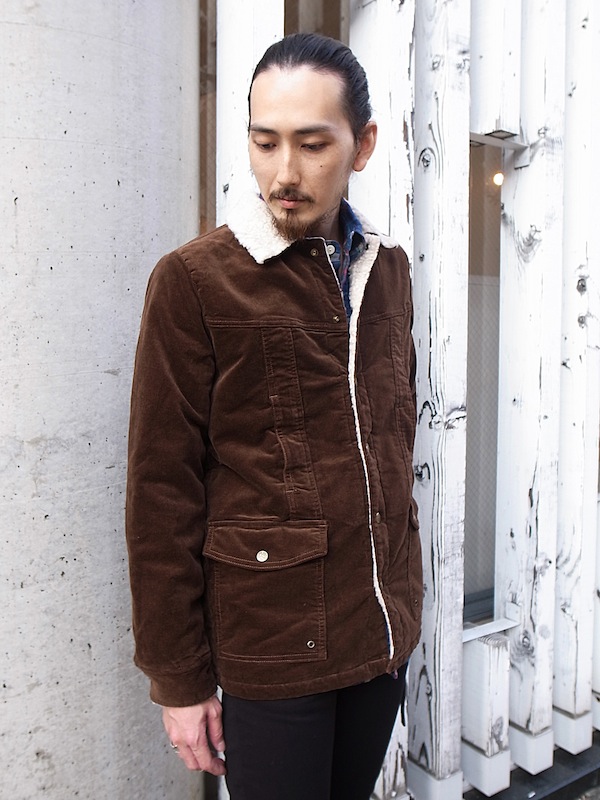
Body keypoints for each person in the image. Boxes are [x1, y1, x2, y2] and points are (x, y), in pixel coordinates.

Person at [126, 32, 422, 800]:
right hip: (272, 650)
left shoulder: (387, 271)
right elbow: (161, 494)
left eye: (313, 145)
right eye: (265, 143)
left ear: (362, 146)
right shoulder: (195, 282)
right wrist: (180, 680)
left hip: (379, 636)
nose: (284, 173)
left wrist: (404, 601)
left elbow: (394, 445)